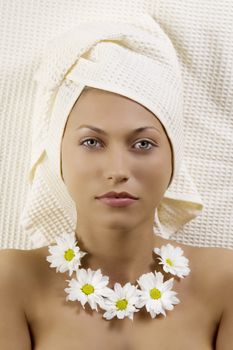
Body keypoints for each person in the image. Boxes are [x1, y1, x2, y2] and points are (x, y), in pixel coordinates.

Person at [1, 17, 233, 349]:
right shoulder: (13, 281)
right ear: (58, 156)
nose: (118, 170)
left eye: (143, 144)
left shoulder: (224, 280)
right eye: (92, 142)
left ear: (173, 160)